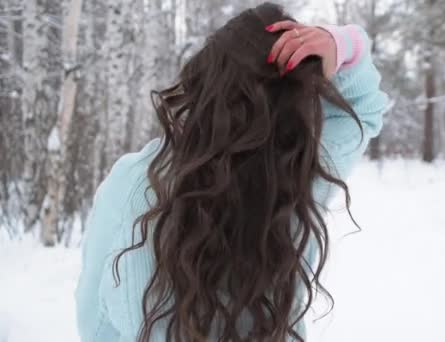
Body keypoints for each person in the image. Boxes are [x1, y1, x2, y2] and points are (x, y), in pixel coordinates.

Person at [75, 2, 389, 341]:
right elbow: (366, 109)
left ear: (205, 82)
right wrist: (342, 43)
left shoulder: (136, 179)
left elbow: (95, 319)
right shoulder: (297, 178)